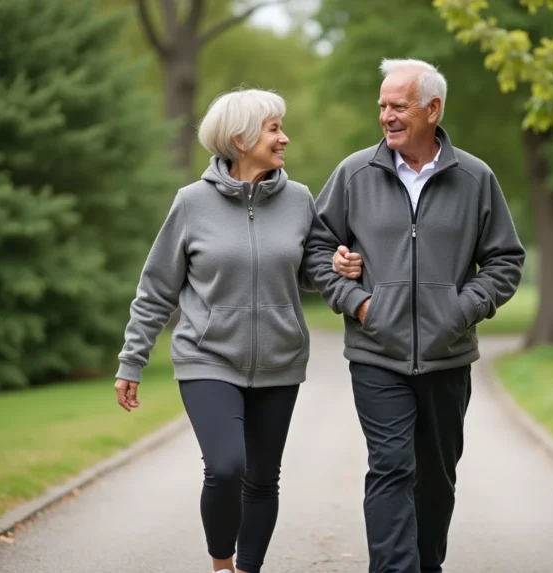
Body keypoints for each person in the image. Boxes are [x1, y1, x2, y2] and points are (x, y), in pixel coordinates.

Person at [113, 88, 361, 573]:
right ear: (240, 138)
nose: (284, 138)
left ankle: (247, 570)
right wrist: (132, 360)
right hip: (207, 358)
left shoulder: (298, 199)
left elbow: (308, 272)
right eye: (274, 129)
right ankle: (221, 564)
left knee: (263, 479)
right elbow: (156, 288)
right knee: (226, 467)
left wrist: (336, 263)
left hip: (279, 360)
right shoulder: (191, 203)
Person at [304, 59, 526, 573]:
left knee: (436, 478)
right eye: (382, 105)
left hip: (448, 357)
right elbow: (316, 249)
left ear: (432, 109)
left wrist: (461, 309)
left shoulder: (475, 178)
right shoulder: (354, 174)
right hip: (376, 353)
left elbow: (505, 260)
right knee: (390, 469)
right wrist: (357, 300)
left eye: (397, 106)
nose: (386, 116)